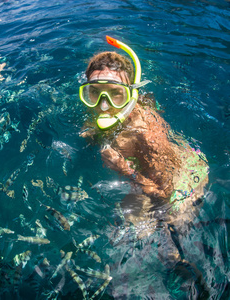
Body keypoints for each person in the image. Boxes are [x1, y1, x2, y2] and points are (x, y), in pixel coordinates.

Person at [79, 36, 210, 296]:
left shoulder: (144, 131)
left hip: (183, 182)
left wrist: (125, 170)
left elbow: (165, 195)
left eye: (116, 94)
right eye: (95, 93)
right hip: (150, 178)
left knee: (136, 231)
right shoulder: (105, 112)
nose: (103, 105)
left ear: (131, 94)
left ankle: (185, 271)